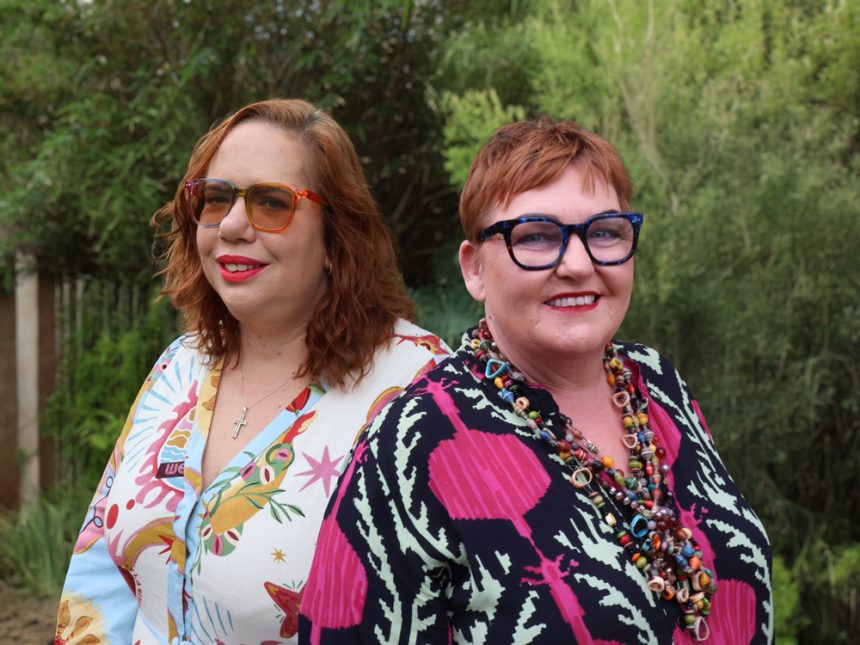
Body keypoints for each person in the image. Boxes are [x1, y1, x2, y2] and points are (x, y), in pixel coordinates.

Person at [299, 118, 773, 643]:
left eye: (605, 232)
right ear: (474, 269)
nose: (578, 264)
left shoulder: (657, 383)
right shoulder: (414, 441)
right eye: (537, 237)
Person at [55, 98, 449, 645]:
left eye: (272, 202)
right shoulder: (180, 365)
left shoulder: (421, 391)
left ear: (337, 235)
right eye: (216, 198)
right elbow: (99, 576)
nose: (233, 225)